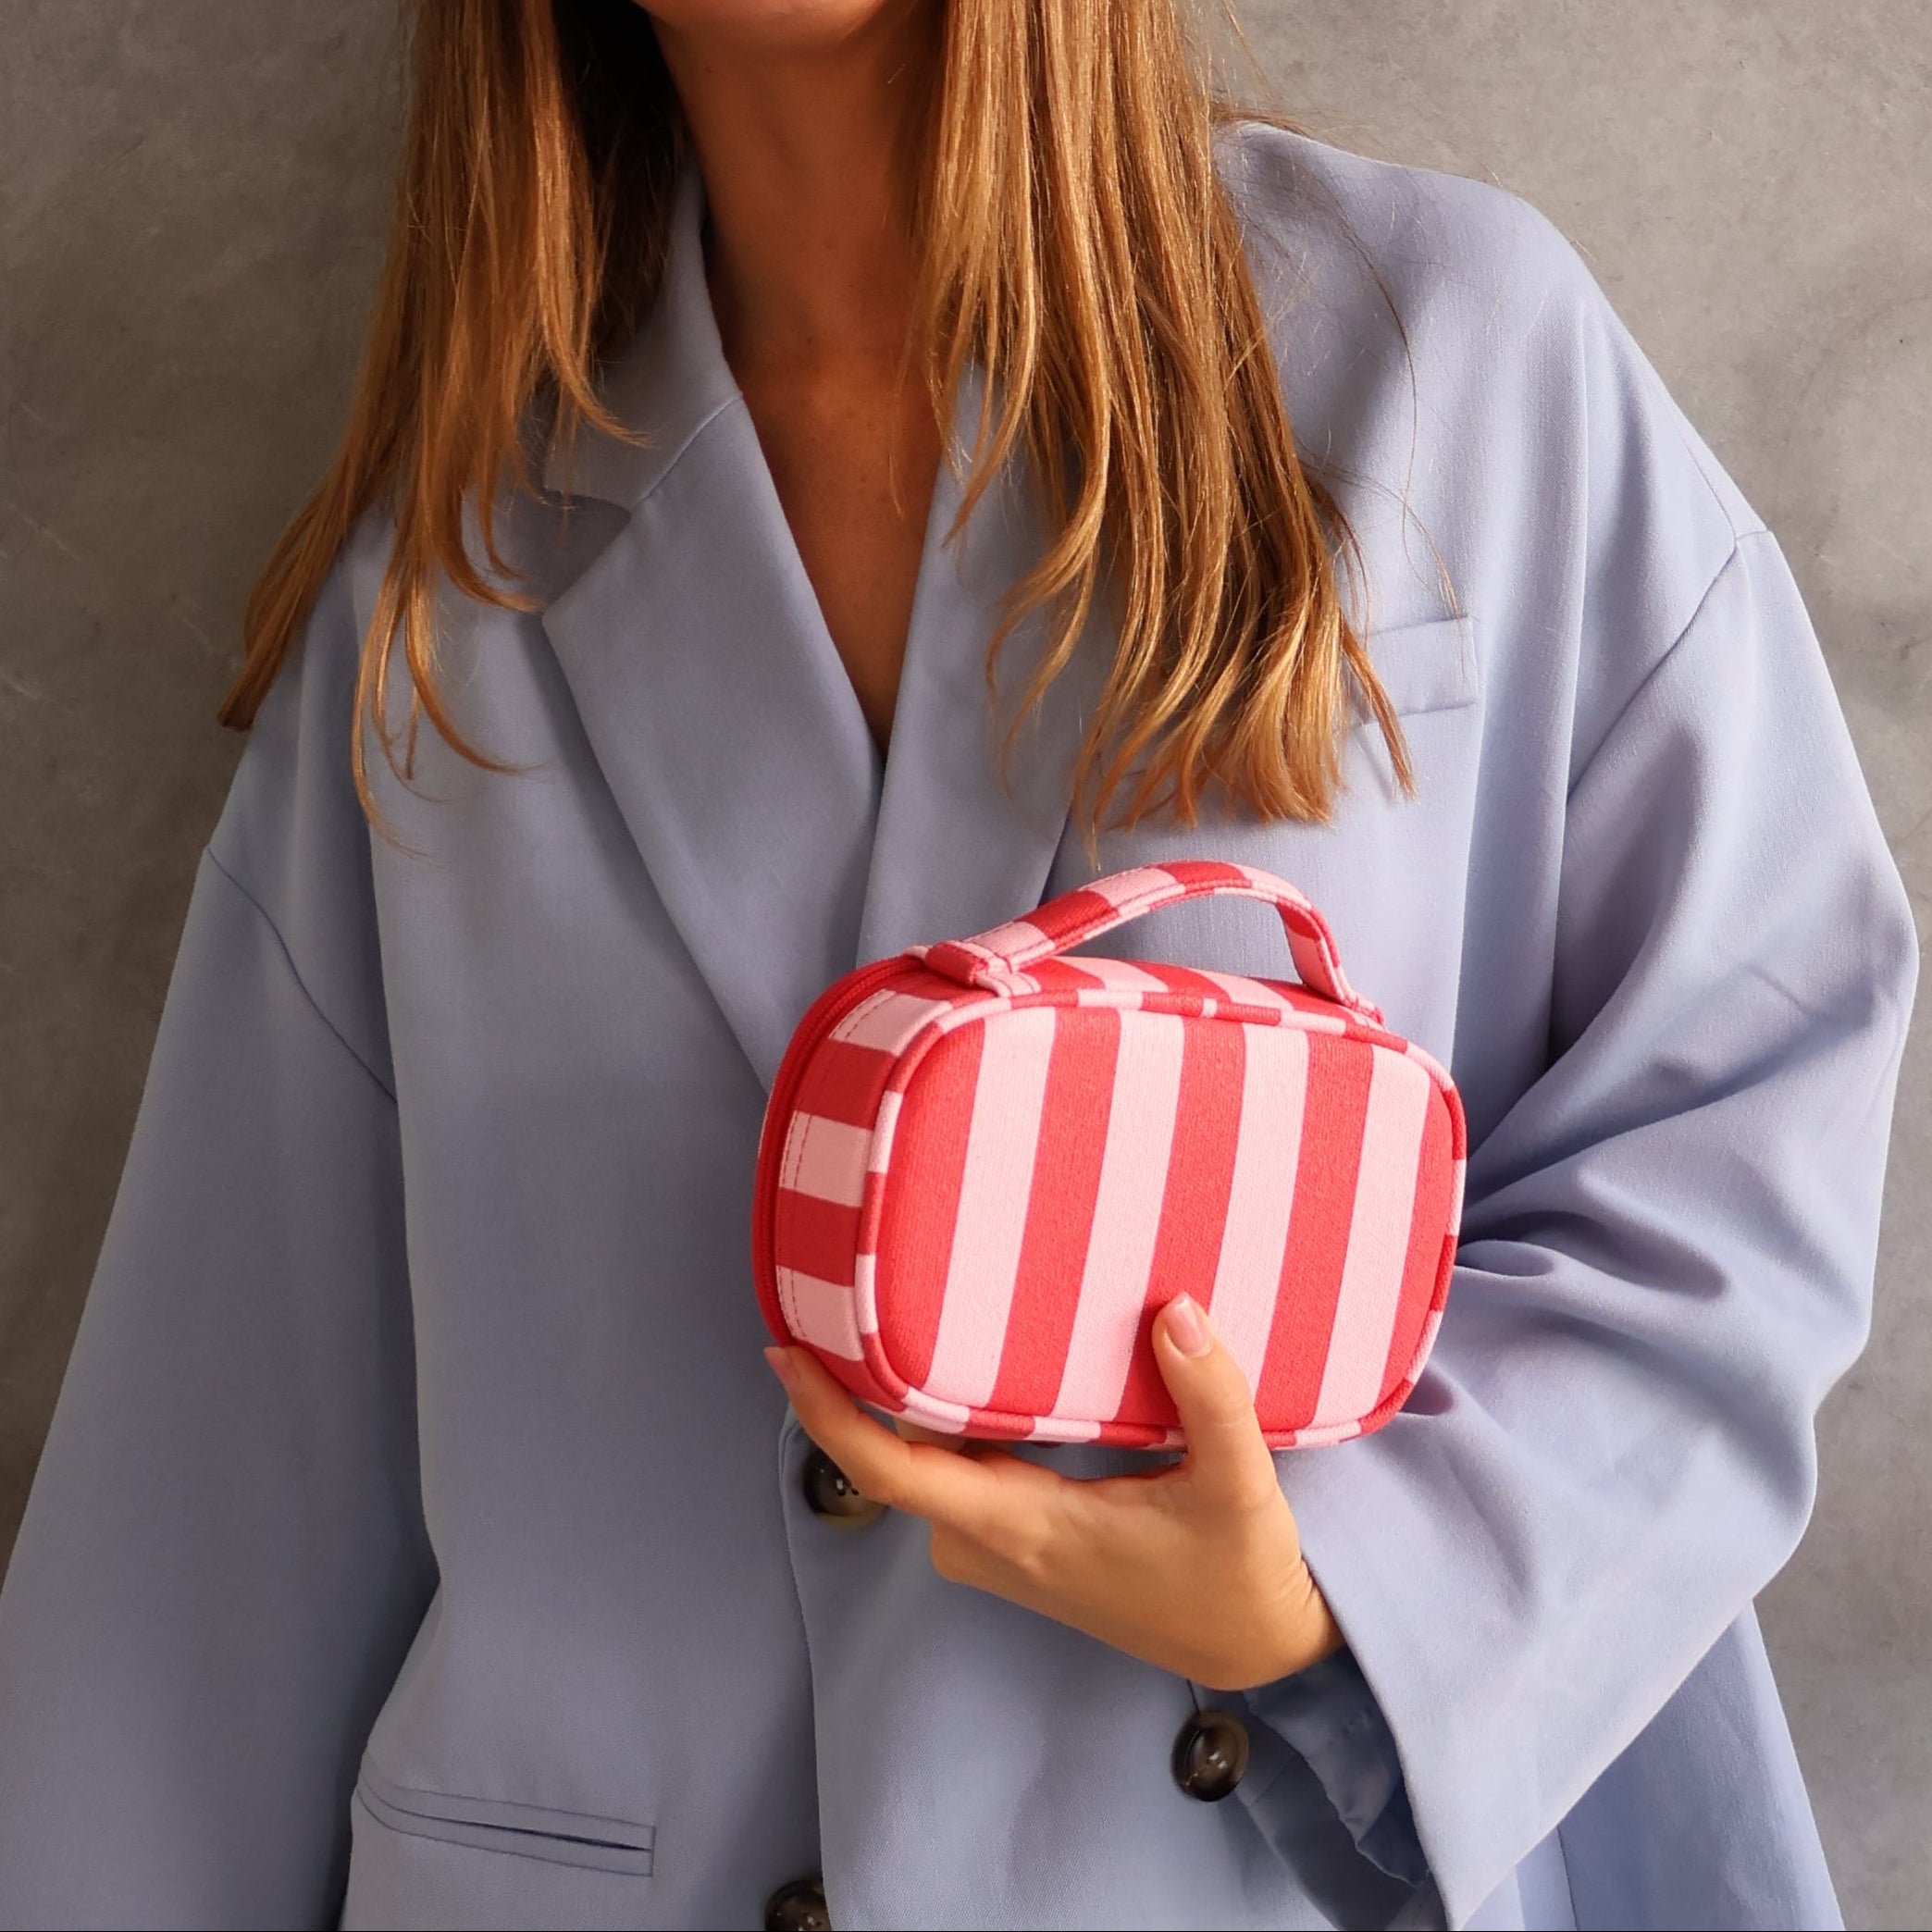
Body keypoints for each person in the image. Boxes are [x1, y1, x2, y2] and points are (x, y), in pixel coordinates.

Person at [0, 2, 1914, 1927]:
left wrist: (1334, 1595)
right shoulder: (445, 587)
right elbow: (212, 1504)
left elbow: (1750, 1092)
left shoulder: (1446, 363)